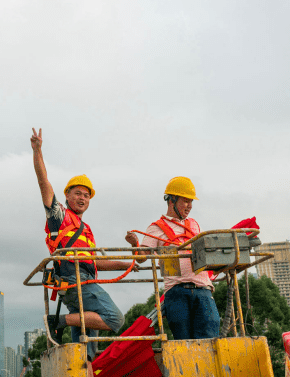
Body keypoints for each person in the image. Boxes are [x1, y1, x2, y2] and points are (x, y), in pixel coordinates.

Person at [31, 128, 127, 358]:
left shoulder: (86, 230)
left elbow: (95, 263)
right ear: (67, 195)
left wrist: (128, 264)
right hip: (74, 281)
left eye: (86, 195)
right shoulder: (59, 217)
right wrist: (37, 151)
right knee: (115, 319)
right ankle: (58, 320)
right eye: (78, 193)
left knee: (85, 345)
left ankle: (86, 366)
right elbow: (43, 182)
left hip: (83, 279)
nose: (83, 198)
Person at [125, 176, 220, 340]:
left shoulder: (195, 225)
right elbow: (141, 258)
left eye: (191, 201)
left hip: (203, 289)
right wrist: (135, 244)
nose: (189, 206)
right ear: (172, 200)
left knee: (210, 339)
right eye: (185, 201)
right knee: (183, 343)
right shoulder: (156, 228)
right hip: (176, 292)